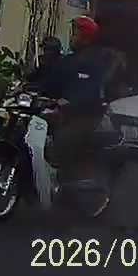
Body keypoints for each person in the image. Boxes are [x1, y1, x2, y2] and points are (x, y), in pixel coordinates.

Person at [48, 17, 114, 181]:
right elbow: (51, 81)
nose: (71, 38)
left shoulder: (95, 61)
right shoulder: (68, 60)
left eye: (75, 34)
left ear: (85, 37)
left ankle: (62, 179)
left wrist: (70, 101)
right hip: (64, 113)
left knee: (63, 138)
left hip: (85, 116)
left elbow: (89, 88)